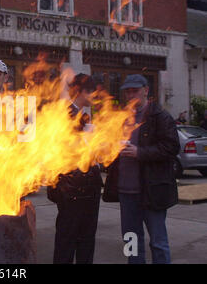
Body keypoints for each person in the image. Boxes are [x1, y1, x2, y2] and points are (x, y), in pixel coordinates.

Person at [105, 74, 179, 264]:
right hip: (126, 192)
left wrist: (140, 152)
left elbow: (171, 148)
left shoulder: (160, 117)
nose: (131, 95)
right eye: (128, 91)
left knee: (158, 241)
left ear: (146, 90)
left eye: (135, 90)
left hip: (151, 190)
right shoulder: (121, 119)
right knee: (130, 240)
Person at [47, 73, 103, 264]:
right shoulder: (66, 115)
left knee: (86, 239)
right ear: (81, 91)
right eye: (92, 93)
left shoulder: (84, 116)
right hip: (72, 188)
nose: (94, 97)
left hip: (86, 187)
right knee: (68, 239)